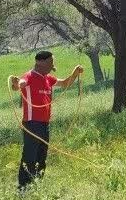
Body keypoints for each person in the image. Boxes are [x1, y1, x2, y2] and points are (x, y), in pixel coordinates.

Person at [8, 51, 83, 192]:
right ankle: (23, 188)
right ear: (40, 63)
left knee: (42, 155)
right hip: (31, 123)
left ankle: (37, 184)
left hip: (44, 123)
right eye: (50, 62)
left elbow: (65, 83)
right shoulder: (29, 76)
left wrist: (75, 73)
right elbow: (19, 85)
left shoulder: (48, 78)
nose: (52, 65)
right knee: (30, 155)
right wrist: (17, 83)